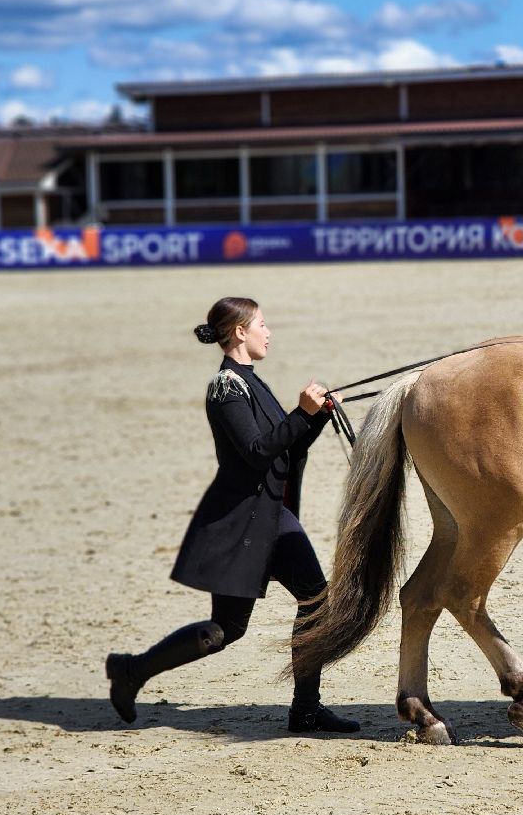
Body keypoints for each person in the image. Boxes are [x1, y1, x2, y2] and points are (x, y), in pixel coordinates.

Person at [104, 297, 360, 734]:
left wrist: (315, 418)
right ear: (239, 332)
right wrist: (301, 412)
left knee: (314, 601)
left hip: (270, 516)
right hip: (245, 521)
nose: (268, 331)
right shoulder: (225, 388)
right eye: (262, 324)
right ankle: (132, 670)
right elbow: (259, 452)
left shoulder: (251, 383)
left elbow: (286, 447)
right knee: (228, 629)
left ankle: (305, 709)